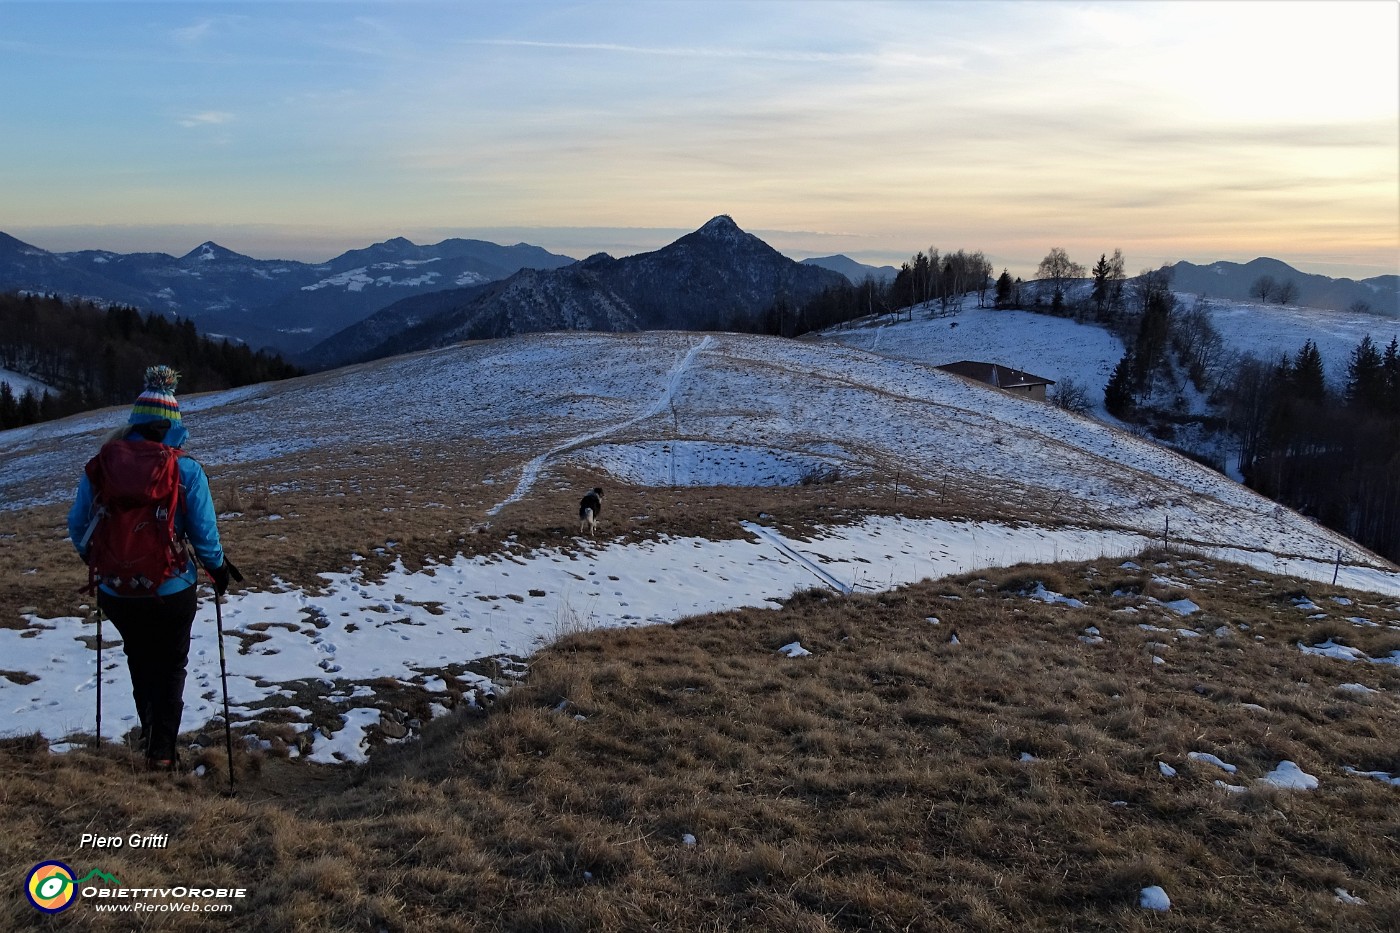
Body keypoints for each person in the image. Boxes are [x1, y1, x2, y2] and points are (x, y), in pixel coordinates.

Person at [68, 366, 232, 771]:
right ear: (172, 427)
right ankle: (162, 751)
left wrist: (103, 561)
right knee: (171, 664)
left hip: (117, 590)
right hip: (171, 588)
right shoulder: (184, 469)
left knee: (139, 659)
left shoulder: (102, 466)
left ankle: (149, 736)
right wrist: (219, 570)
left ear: (135, 424)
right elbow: (204, 534)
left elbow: (77, 527)